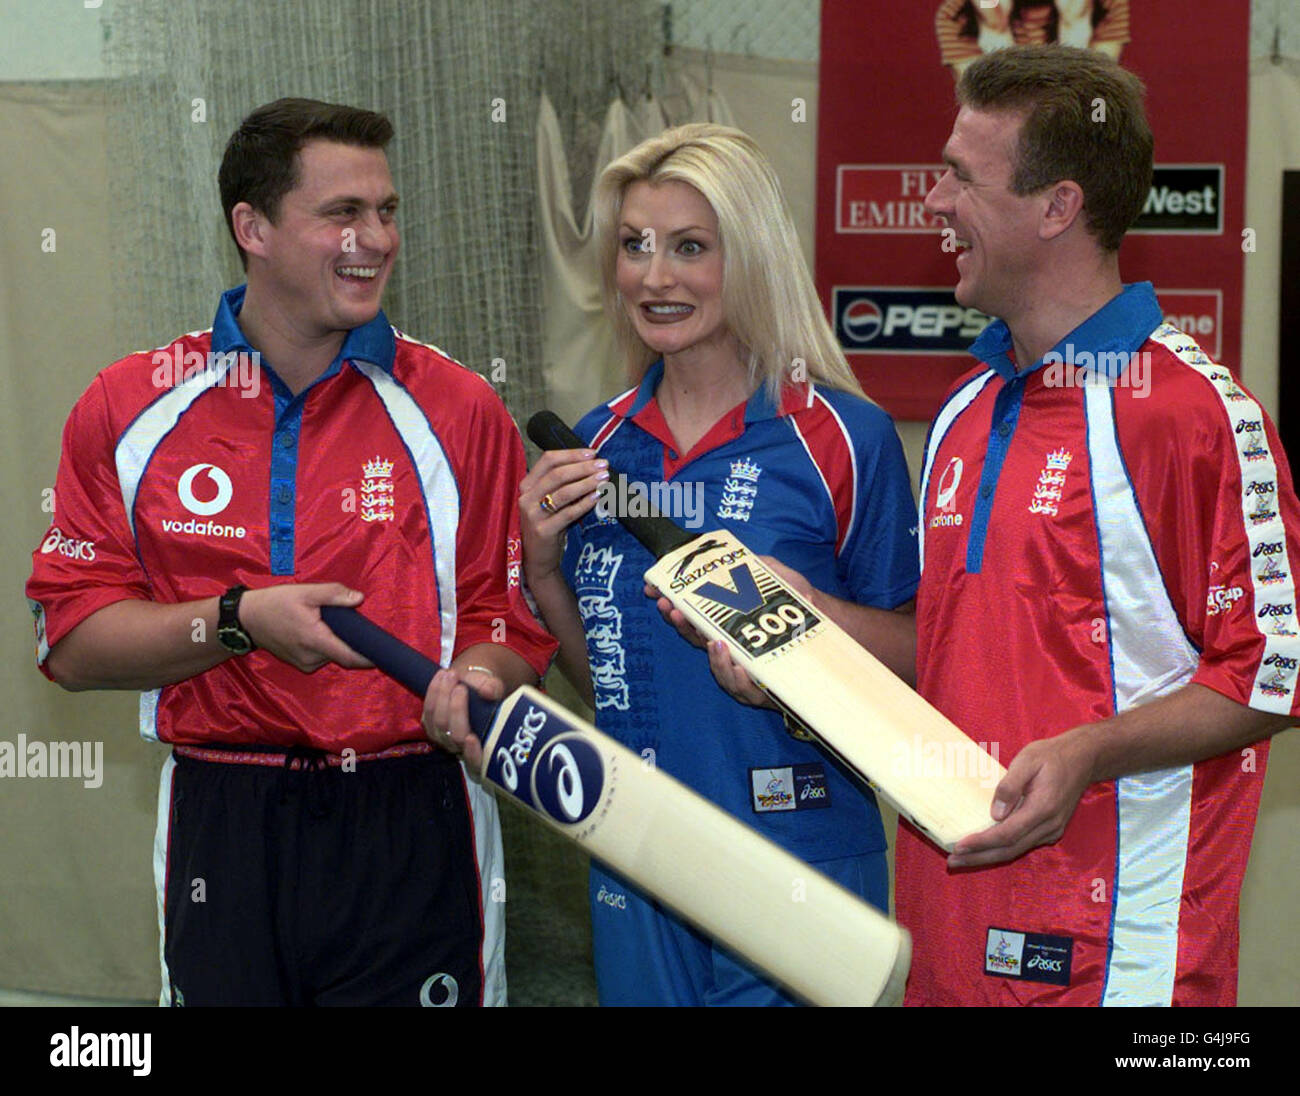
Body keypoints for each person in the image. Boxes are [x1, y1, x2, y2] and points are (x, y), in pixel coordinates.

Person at [705, 44, 1298, 1006]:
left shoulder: (1191, 414)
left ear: (1056, 207)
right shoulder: (965, 406)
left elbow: (1269, 674)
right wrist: (804, 621)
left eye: (959, 178)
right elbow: (948, 649)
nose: (933, 202)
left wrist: (1087, 752)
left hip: (1120, 963)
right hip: (948, 940)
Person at [25, 98, 555, 1007]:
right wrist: (240, 623)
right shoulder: (129, 406)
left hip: (413, 813)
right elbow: (70, 645)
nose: (376, 239)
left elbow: (505, 619)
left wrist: (477, 677)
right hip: (221, 818)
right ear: (253, 227)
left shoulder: (460, 406)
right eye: (342, 213)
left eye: (387, 211)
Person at [503, 123, 919, 1006]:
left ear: (753, 256)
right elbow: (612, 681)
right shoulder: (597, 444)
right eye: (634, 246)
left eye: (690, 247)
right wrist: (544, 573)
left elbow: (928, 656)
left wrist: (805, 642)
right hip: (640, 854)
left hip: (798, 856)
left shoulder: (844, 437)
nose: (656, 276)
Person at [935, 0, 1129, 78]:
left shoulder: (1106, 5)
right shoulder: (958, 15)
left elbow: (1094, 96)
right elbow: (986, 107)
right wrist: (994, 27)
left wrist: (1075, 25)